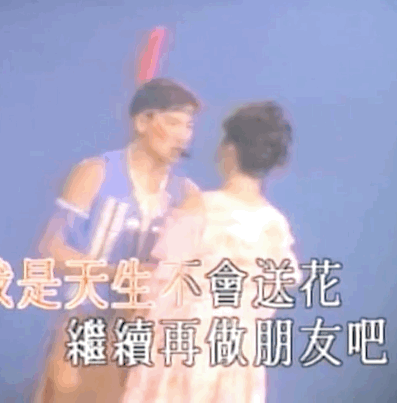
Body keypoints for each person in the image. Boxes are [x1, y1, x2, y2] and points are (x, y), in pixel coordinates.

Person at [31, 78, 202, 403]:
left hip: (142, 335)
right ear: (142, 122)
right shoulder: (96, 173)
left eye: (189, 126)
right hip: (87, 322)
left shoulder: (186, 194)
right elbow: (52, 248)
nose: (183, 135)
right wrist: (117, 273)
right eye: (172, 122)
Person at [121, 101, 303, 403]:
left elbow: (158, 287)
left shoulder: (200, 207)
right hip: (238, 356)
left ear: (229, 150)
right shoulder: (276, 226)